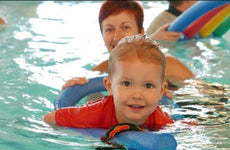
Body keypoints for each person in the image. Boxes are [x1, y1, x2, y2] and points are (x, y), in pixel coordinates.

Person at [62, 0, 195, 100]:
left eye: (125, 28)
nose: (117, 37)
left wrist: (174, 97)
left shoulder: (167, 65)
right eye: (109, 29)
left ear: (141, 33)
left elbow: (204, 95)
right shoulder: (98, 73)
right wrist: (69, 90)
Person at [43, 34, 174, 131]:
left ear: (161, 91)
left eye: (148, 85)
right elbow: (49, 118)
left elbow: (186, 129)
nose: (137, 95)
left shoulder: (160, 119)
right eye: (127, 84)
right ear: (110, 86)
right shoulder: (94, 113)